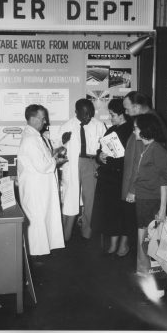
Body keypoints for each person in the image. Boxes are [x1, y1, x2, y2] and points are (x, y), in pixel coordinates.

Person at [17, 104, 66, 257]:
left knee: (40, 218)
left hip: (39, 186)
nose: (45, 121)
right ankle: (35, 254)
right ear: (33, 119)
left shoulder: (34, 136)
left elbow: (43, 158)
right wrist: (56, 161)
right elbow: (43, 166)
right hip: (36, 187)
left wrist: (54, 155)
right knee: (37, 219)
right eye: (43, 118)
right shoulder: (31, 139)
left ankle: (38, 251)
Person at [58, 98, 106, 242]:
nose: (88, 117)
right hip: (73, 164)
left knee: (90, 200)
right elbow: (57, 149)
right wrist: (62, 141)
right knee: (70, 199)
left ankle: (87, 233)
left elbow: (105, 146)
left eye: (90, 114)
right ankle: (65, 236)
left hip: (91, 163)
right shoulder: (67, 126)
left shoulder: (99, 125)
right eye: (84, 114)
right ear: (76, 112)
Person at [91, 98, 133, 256]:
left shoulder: (131, 130)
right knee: (110, 212)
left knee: (122, 212)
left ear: (122, 115)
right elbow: (100, 149)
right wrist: (99, 156)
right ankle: (114, 243)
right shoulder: (111, 130)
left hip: (120, 177)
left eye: (113, 114)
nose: (110, 117)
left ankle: (123, 244)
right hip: (108, 178)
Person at [132, 113, 167, 276]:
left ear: (144, 130)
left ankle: (153, 272)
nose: (134, 131)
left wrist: (162, 209)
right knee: (143, 234)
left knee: (151, 238)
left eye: (136, 128)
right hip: (143, 199)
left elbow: (164, 181)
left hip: (151, 200)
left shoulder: (157, 149)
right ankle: (143, 268)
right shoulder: (147, 147)